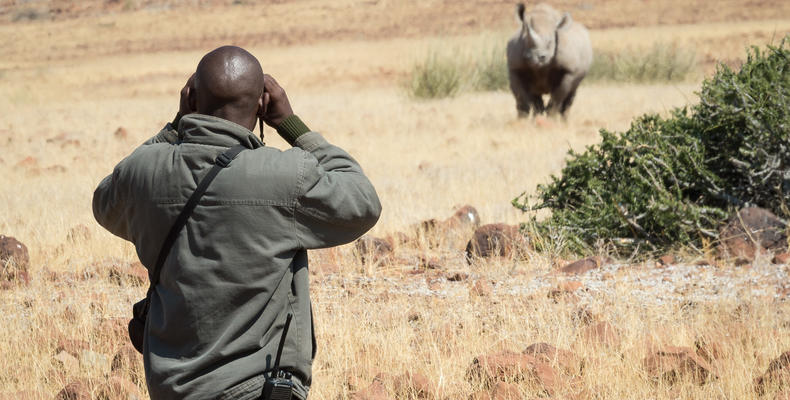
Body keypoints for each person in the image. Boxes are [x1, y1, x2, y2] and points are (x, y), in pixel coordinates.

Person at [93, 46, 381, 399]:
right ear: (262, 104)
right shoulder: (283, 176)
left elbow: (105, 198)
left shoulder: (143, 174)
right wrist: (293, 126)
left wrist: (174, 126)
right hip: (255, 389)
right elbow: (363, 201)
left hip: (171, 389)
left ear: (191, 98)